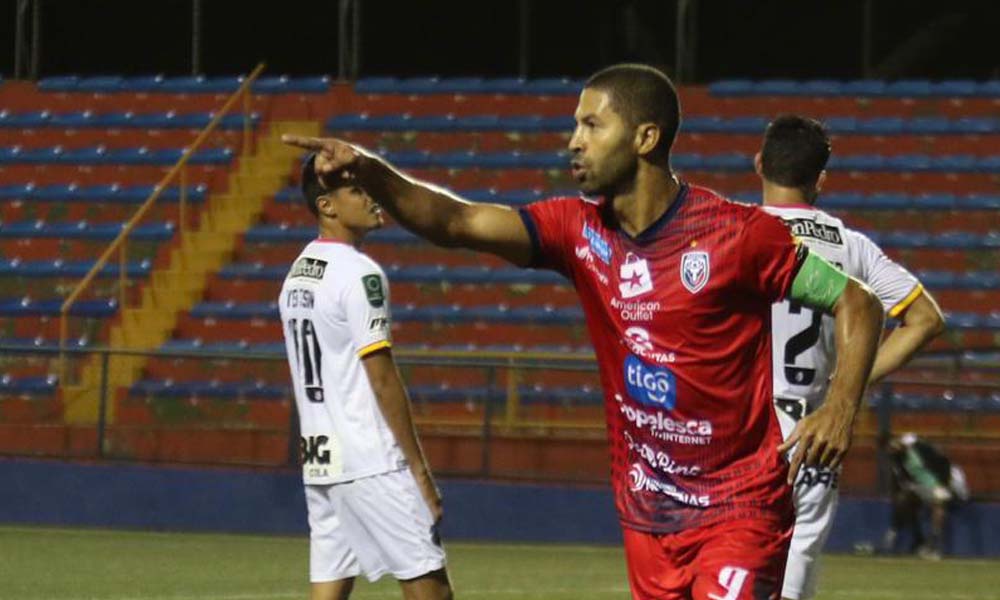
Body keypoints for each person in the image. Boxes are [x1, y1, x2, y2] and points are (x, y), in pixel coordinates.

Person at [283, 63, 884, 600]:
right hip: (651, 515)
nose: (574, 141)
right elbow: (457, 220)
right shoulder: (577, 230)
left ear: (645, 138)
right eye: (576, 125)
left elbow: (858, 302)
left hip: (740, 508)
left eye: (593, 126)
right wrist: (370, 170)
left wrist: (839, 406)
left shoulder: (736, 234)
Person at [756, 115, 946, 600]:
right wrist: (847, 386)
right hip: (816, 430)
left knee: (725, 574)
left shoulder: (734, 229)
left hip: (744, 431)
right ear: (821, 180)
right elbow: (925, 318)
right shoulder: (850, 245)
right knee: (793, 579)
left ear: (758, 164)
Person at [278, 157, 453, 600]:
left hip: (321, 459)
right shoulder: (360, 274)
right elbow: (381, 379)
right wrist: (418, 469)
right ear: (327, 206)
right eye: (357, 191)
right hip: (371, 458)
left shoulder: (297, 274)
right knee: (429, 588)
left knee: (330, 588)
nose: (371, 196)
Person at [881, 432, 970, 560]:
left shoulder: (919, 448)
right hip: (921, 488)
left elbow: (942, 461)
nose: (892, 450)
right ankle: (916, 539)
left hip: (939, 483)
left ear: (897, 441)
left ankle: (935, 542)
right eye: (889, 449)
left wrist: (944, 483)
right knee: (903, 499)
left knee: (939, 501)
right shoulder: (897, 460)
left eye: (892, 446)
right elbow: (902, 481)